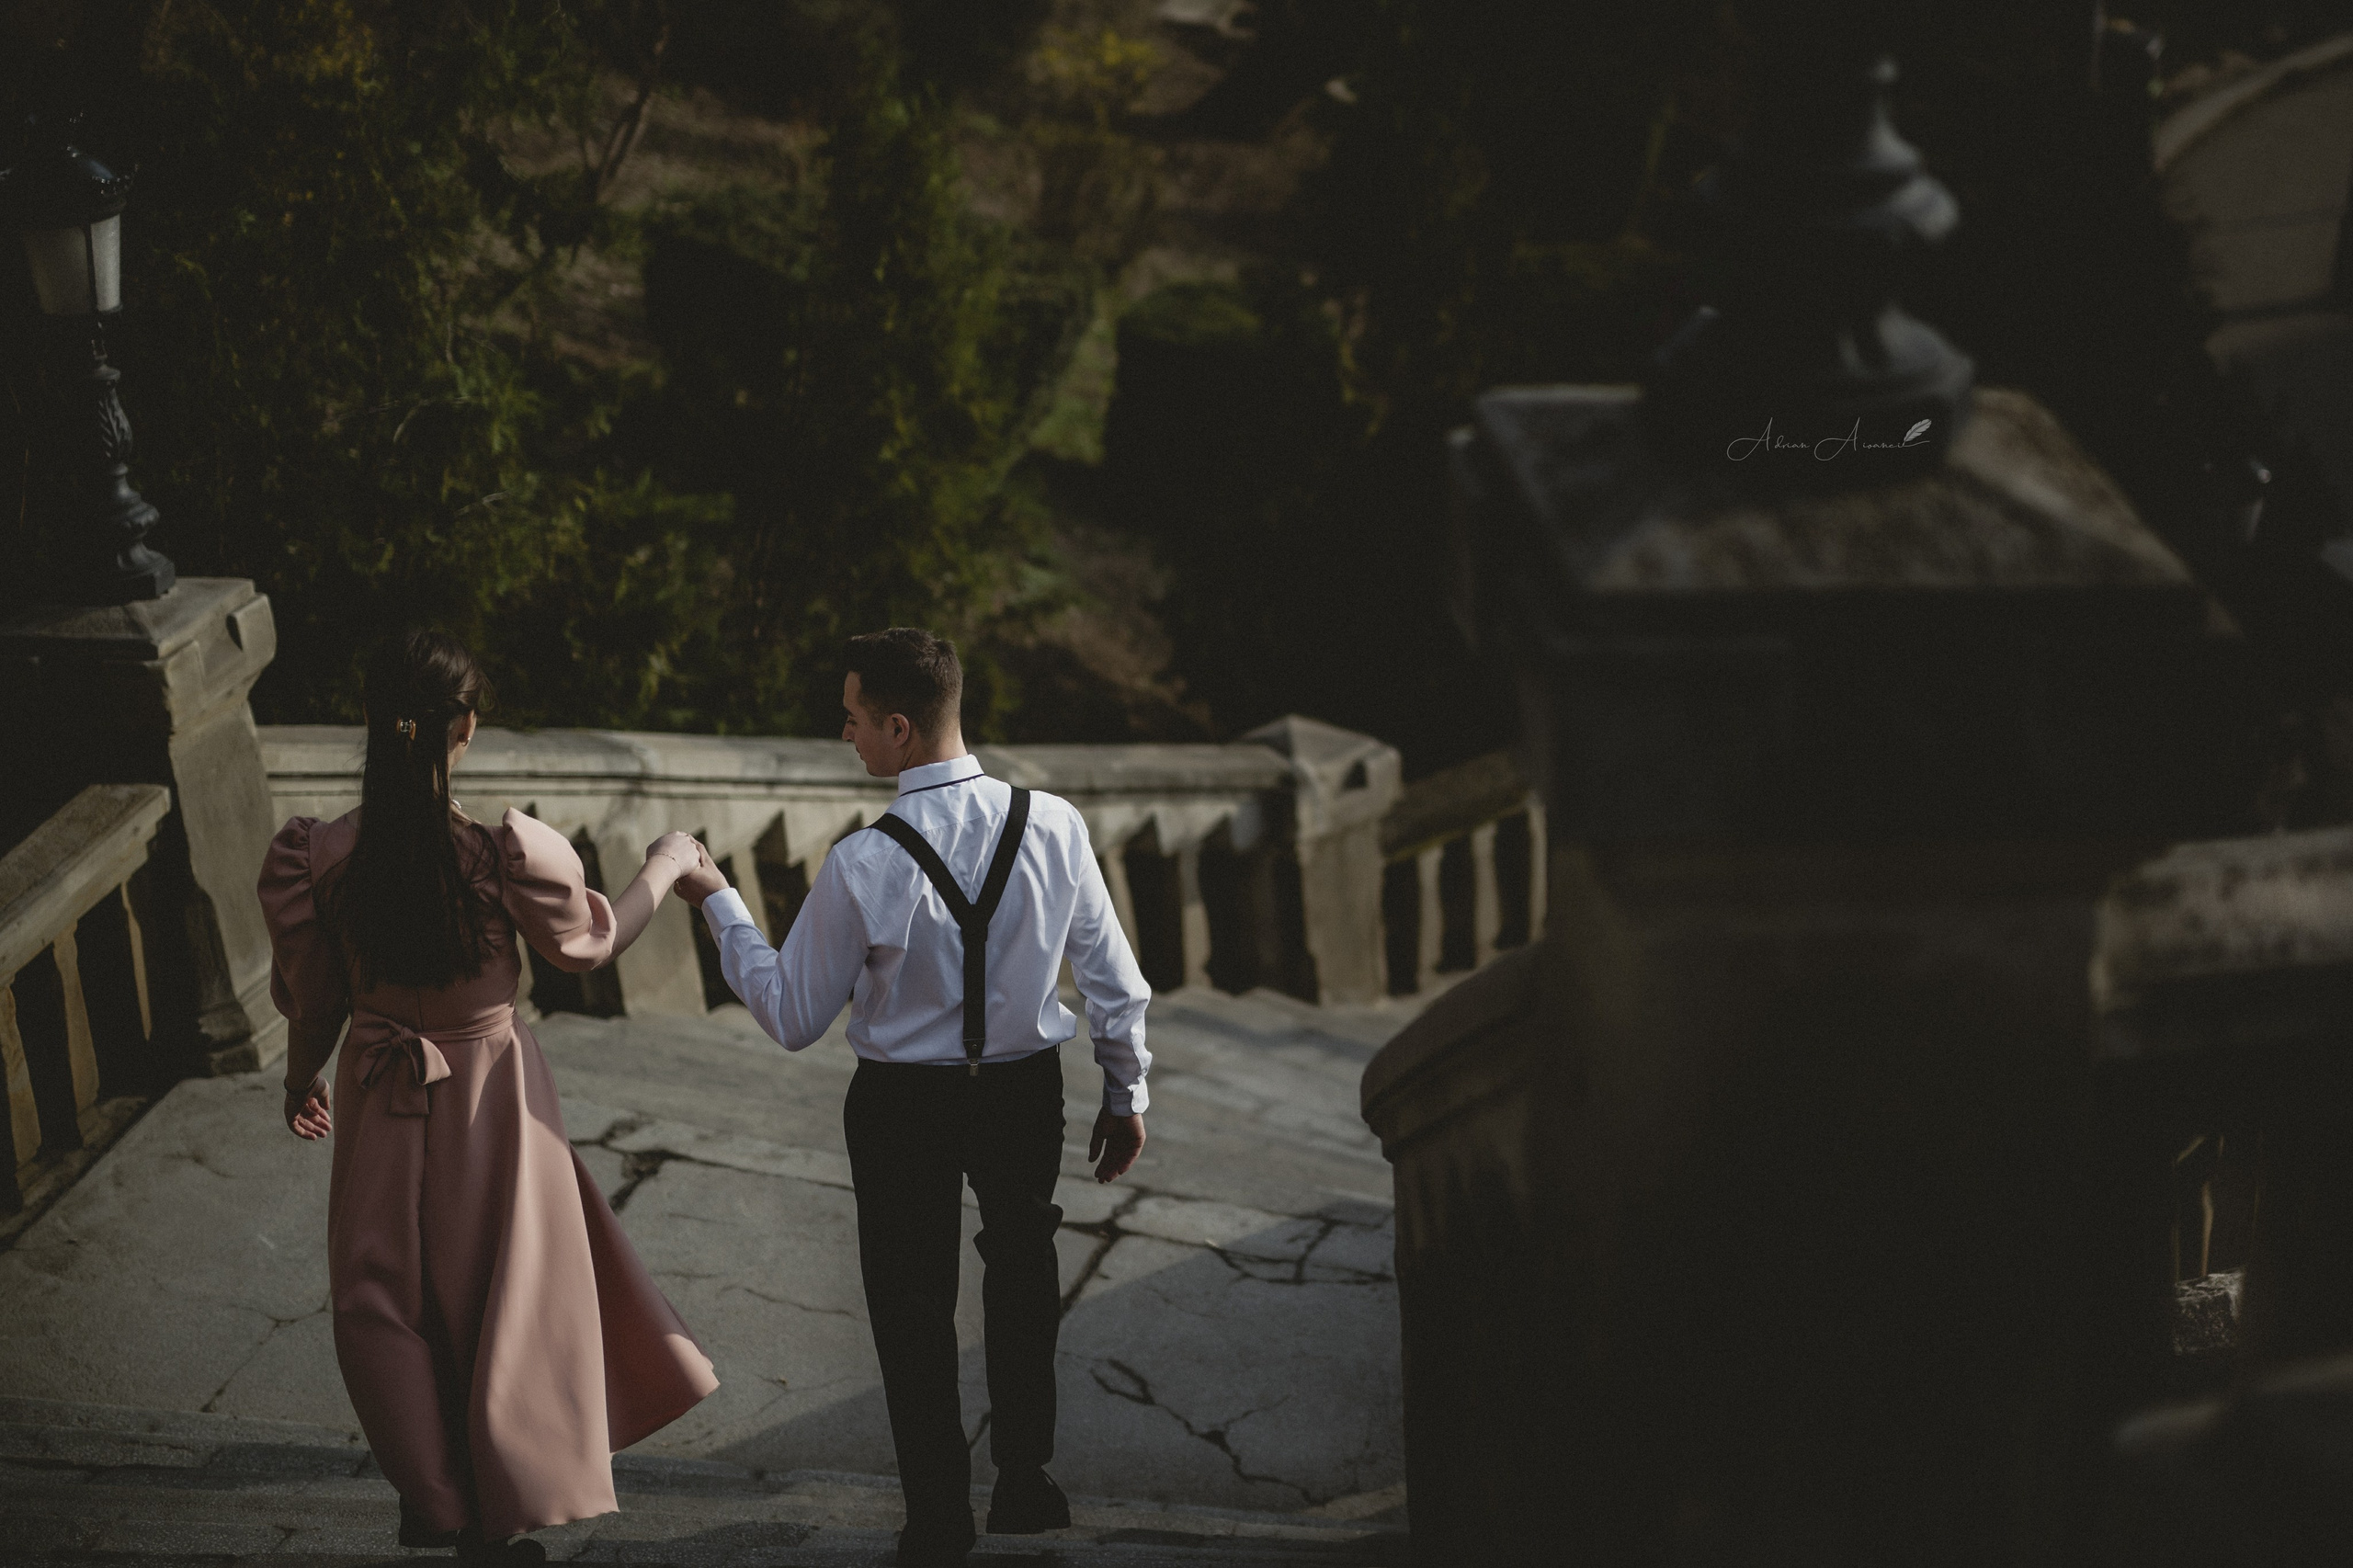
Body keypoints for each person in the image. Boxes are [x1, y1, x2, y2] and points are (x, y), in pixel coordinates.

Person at [673, 627, 1152, 1568]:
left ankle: (937, 1514)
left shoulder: (865, 862)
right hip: (1023, 1090)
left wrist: (716, 898)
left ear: (898, 725)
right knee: (1021, 1268)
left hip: (902, 1105)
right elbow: (1112, 978)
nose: (844, 733)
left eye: (852, 718)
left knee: (911, 1305)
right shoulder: (1052, 823)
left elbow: (789, 1011)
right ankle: (1025, 1480)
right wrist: (1125, 1091)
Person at [257, 630, 719, 1564]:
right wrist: (666, 866)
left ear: (370, 724)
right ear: (463, 726)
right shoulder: (505, 851)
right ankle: (503, 1502)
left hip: (379, 1081)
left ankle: (436, 1501)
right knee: (506, 1290)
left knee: (379, 1297)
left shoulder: (320, 854)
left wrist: (302, 1074)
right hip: (494, 1091)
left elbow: (317, 996)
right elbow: (590, 944)